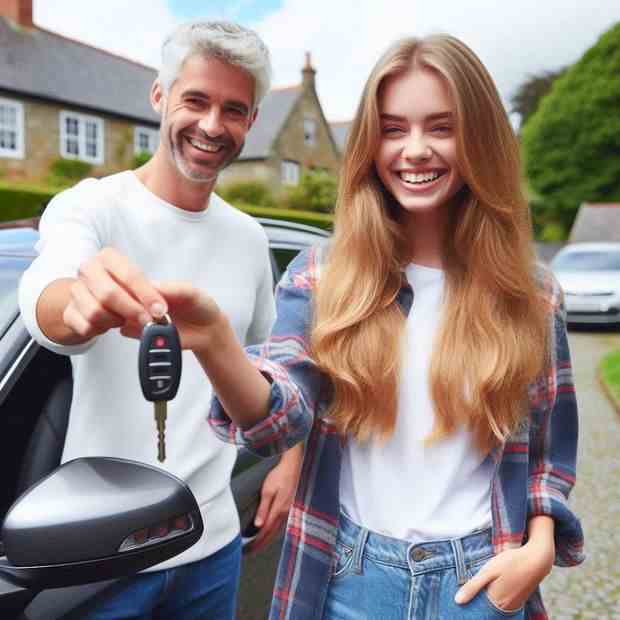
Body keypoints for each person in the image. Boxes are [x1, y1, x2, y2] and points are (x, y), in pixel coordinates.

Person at [115, 34, 585, 619]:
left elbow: (547, 452)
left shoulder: (533, 294)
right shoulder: (321, 277)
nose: (415, 149)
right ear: (369, 143)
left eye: (441, 127)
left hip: (483, 583)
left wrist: (539, 547)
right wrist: (214, 341)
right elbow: (278, 418)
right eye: (393, 129)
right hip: (347, 582)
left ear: (481, 138)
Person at [18, 20, 303, 620]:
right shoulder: (91, 206)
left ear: (251, 123)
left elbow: (277, 366)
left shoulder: (249, 239)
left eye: (233, 109)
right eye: (195, 100)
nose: (210, 125)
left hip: (214, 544)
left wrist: (290, 463)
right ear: (160, 96)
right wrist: (78, 306)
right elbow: (48, 293)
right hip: (101, 555)